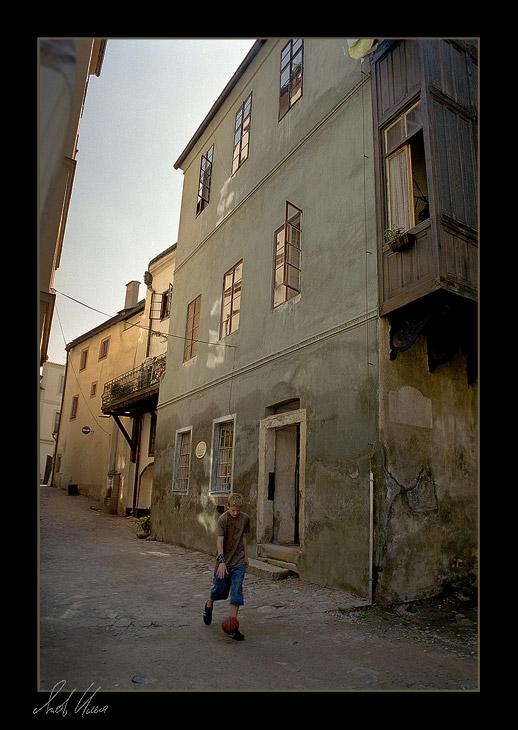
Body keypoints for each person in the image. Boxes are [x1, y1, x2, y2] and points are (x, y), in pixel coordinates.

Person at [203, 493, 249, 640]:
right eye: (233, 510)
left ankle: (234, 625)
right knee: (219, 591)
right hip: (224, 561)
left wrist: (246, 556)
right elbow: (219, 542)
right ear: (228, 506)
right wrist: (221, 562)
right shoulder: (222, 519)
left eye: (238, 510)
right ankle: (209, 604)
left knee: (236, 590)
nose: (235, 513)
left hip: (239, 560)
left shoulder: (245, 518)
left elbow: (243, 537)